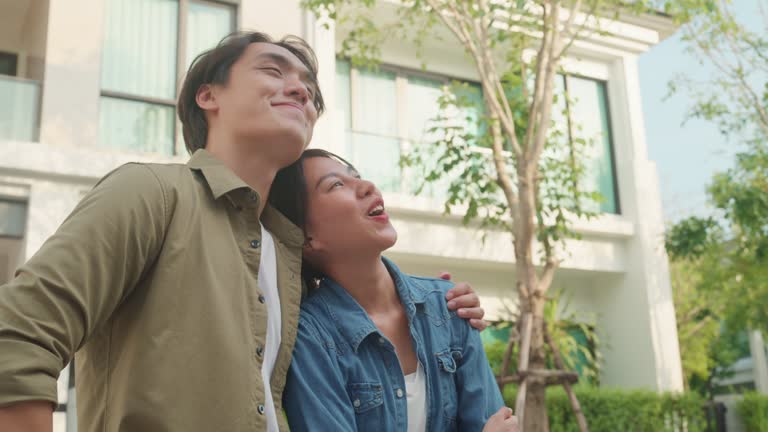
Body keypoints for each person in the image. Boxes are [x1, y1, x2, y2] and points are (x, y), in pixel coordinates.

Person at [0, 32, 487, 432]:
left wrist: (435, 301)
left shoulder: (287, 254)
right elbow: (18, 337)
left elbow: (361, 311)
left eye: (311, 90)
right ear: (208, 95)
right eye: (273, 71)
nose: (301, 91)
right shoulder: (150, 192)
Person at [270, 149, 518, 432]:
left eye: (357, 177)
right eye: (336, 185)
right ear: (306, 237)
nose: (367, 187)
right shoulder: (310, 338)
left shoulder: (448, 307)